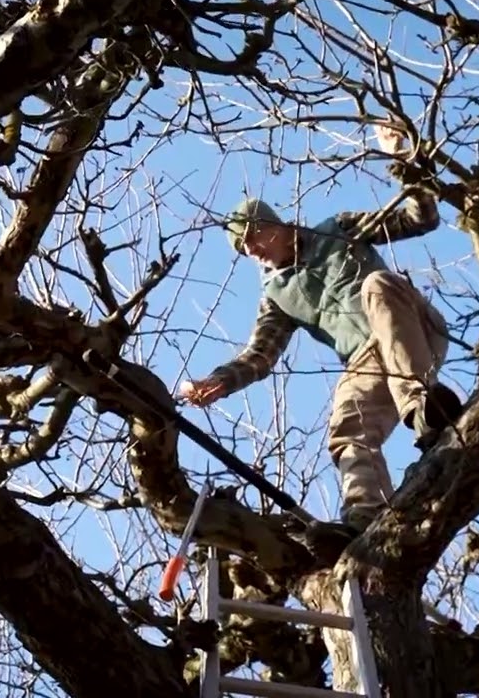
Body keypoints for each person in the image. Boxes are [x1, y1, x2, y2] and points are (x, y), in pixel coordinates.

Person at [178, 124, 463, 534]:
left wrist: (404, 159)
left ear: (271, 224)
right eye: (244, 251)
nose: (253, 252)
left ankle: (422, 409)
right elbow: (259, 356)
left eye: (252, 238)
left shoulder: (338, 230)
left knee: (376, 285)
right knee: (347, 425)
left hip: (413, 328)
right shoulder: (277, 295)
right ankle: (364, 520)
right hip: (367, 359)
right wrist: (218, 382)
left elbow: (421, 219)